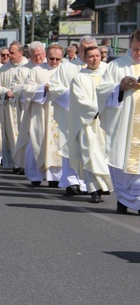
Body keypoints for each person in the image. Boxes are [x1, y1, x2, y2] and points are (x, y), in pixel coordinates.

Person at [96, 29, 140, 214]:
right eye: (136, 48)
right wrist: (120, 87)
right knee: (122, 163)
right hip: (125, 123)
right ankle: (123, 199)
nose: (138, 53)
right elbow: (102, 91)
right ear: (130, 44)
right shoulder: (117, 66)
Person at [47, 35, 96, 195]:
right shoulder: (66, 67)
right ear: (78, 50)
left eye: (90, 50)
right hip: (71, 117)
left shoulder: (103, 68)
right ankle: (72, 181)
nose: (86, 54)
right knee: (70, 148)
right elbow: (54, 87)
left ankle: (93, 183)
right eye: (83, 50)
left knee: (93, 149)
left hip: (94, 118)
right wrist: (74, 98)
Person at [14, 42, 64, 186]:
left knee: (56, 145)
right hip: (40, 113)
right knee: (37, 143)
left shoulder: (65, 70)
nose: (54, 62)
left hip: (59, 113)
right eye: (51, 58)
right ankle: (36, 176)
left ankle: (54, 178)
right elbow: (26, 88)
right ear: (46, 56)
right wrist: (43, 88)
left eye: (57, 59)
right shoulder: (36, 70)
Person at [67, 46, 111, 203]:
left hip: (109, 122)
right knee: (90, 155)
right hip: (89, 123)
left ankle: (104, 186)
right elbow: (80, 100)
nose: (95, 59)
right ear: (84, 59)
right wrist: (99, 109)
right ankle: (94, 190)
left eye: (97, 56)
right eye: (91, 56)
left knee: (106, 155)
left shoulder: (108, 73)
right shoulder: (79, 77)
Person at [0, 41, 30, 171]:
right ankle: (15, 163)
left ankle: (25, 163)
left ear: (21, 52)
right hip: (9, 107)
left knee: (24, 134)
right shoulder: (4, 68)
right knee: (11, 135)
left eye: (12, 53)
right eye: (9, 53)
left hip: (24, 108)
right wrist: (5, 92)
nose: (9, 55)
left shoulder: (28, 67)